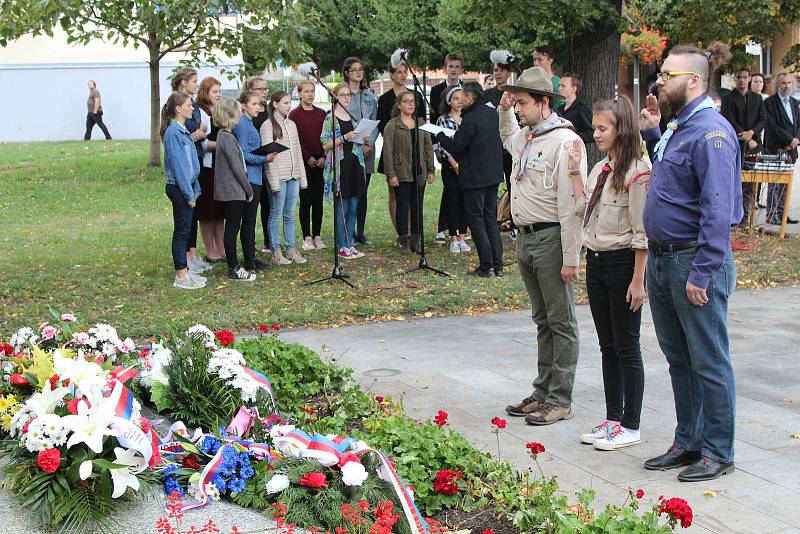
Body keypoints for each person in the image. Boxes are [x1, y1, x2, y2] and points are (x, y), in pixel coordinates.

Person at [639, 42, 741, 482]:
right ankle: (688, 441)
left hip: (692, 263)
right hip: (664, 261)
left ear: (694, 81)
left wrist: (702, 271)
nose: (660, 81)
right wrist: (650, 133)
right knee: (679, 358)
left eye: (668, 75)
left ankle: (718, 450)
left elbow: (717, 210)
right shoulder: (679, 128)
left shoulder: (711, 132)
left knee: (709, 359)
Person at [498, 67, 586, 425]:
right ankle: (542, 391)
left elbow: (571, 207)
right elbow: (508, 138)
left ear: (544, 103)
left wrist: (571, 257)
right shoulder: (528, 137)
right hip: (527, 238)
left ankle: (560, 398)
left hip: (551, 239)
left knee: (561, 321)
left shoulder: (565, 142)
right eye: (515, 103)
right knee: (542, 320)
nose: (517, 109)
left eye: (522, 103)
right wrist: (504, 110)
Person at [569, 95, 650, 450]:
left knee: (627, 345)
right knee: (607, 346)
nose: (596, 133)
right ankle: (612, 418)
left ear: (621, 130)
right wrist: (574, 170)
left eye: (603, 128)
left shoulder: (636, 172)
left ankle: (631, 424)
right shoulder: (601, 169)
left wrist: (638, 280)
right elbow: (580, 207)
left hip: (622, 265)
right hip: (597, 262)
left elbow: (641, 233)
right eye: (595, 127)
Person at [437, 82, 504, 277]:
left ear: (470, 98)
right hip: (492, 175)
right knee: (490, 219)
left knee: (476, 221)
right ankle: (497, 266)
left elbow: (457, 147)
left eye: (463, 96)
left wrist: (440, 136)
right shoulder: (491, 113)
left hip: (475, 177)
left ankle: (486, 266)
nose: (461, 99)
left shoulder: (471, 118)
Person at [259, 90, 308, 265]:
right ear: (275, 104)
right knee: (276, 214)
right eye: (285, 103)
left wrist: (301, 177)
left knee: (289, 215)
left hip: (293, 176)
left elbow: (297, 153)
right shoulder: (267, 126)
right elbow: (268, 157)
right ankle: (276, 252)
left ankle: (291, 249)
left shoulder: (292, 125)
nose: (289, 106)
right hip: (279, 177)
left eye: (289, 102)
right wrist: (273, 182)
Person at [383, 91, 436, 252]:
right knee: (403, 206)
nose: (410, 104)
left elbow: (428, 147)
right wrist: (391, 174)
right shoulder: (392, 125)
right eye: (406, 101)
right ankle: (404, 240)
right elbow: (387, 151)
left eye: (412, 101)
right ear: (399, 105)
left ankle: (416, 239)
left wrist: (431, 169)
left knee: (417, 206)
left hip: (419, 171)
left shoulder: (421, 123)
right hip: (402, 171)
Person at [377, 61, 426, 235]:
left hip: (413, 150)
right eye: (398, 72)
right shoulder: (384, 99)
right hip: (394, 148)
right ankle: (400, 231)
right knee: (395, 193)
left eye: (405, 72)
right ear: (391, 74)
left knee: (413, 195)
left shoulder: (416, 96)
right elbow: (382, 125)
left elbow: (421, 124)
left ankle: (413, 231)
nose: (402, 75)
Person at [161, 92, 203, 290]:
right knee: (182, 232)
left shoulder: (183, 130)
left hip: (187, 186)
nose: (192, 108)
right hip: (179, 188)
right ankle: (181, 275)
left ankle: (185, 270)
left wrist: (194, 189)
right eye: (188, 105)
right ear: (178, 108)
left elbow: (191, 163)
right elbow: (179, 167)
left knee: (185, 231)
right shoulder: (173, 133)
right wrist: (189, 193)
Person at [171, 68, 211, 275]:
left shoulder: (192, 104)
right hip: (185, 168)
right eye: (194, 81)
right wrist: (197, 132)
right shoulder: (175, 107)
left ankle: (192, 255)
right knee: (185, 218)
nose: (197, 84)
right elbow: (192, 128)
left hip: (196, 163)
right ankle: (184, 260)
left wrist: (199, 132)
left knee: (192, 213)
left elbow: (202, 128)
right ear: (183, 82)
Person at [322, 83, 368, 259]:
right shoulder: (330, 119)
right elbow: (325, 144)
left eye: (348, 94)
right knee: (343, 206)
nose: (347, 98)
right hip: (341, 167)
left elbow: (357, 139)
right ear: (334, 98)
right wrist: (344, 137)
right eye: (342, 95)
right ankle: (342, 245)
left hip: (356, 164)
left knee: (354, 207)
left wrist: (363, 137)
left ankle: (350, 243)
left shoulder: (353, 117)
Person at [213, 97, 256, 282]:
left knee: (232, 227)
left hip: (233, 189)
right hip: (234, 190)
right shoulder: (227, 137)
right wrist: (249, 189)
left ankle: (234, 266)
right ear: (230, 114)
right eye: (237, 111)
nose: (240, 114)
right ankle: (234, 268)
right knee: (232, 228)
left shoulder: (224, 135)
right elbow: (237, 168)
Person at [232, 91, 272, 272]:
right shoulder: (241, 124)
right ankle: (249, 260)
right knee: (247, 221)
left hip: (256, 176)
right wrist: (265, 158)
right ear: (243, 105)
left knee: (250, 220)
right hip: (249, 178)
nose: (258, 107)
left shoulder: (249, 123)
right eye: (254, 104)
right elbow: (243, 154)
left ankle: (251, 257)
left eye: (259, 103)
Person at [721, 68, 766, 226]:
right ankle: (735, 217)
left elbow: (763, 119)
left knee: (752, 184)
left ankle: (747, 218)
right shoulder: (727, 98)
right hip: (736, 144)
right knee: (737, 181)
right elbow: (728, 120)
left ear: (749, 79)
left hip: (754, 145)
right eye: (738, 77)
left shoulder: (757, 98)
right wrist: (744, 136)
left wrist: (752, 133)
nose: (741, 80)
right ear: (735, 78)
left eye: (744, 77)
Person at [343, 57, 379, 247]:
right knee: (351, 191)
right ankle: (350, 230)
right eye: (354, 69)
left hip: (368, 149)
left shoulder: (369, 96)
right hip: (350, 149)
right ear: (347, 73)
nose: (358, 72)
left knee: (363, 192)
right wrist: (357, 143)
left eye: (361, 69)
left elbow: (374, 122)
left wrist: (369, 144)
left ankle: (361, 232)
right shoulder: (343, 95)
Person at [430, 53, 464, 245]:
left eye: (457, 66)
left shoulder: (465, 89)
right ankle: (444, 228)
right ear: (445, 68)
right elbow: (434, 119)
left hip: (463, 155)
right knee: (449, 190)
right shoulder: (436, 91)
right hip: (444, 147)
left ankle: (458, 228)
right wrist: (436, 147)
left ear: (461, 69)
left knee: (459, 193)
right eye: (450, 66)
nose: (453, 69)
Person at [289, 80, 328, 250]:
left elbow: (326, 136)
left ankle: (317, 234)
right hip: (304, 162)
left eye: (312, 91)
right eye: (306, 91)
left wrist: (323, 156)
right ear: (299, 93)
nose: (310, 94)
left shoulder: (321, 114)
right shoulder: (294, 115)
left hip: (320, 162)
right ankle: (307, 236)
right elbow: (294, 139)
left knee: (318, 200)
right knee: (306, 200)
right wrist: (307, 157)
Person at [436, 85, 470, 253]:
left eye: (461, 98)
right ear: (449, 101)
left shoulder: (468, 118)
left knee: (465, 200)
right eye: (455, 98)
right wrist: (453, 163)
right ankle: (453, 237)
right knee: (452, 199)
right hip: (450, 166)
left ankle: (463, 236)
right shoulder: (443, 119)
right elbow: (443, 144)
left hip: (467, 165)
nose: (459, 102)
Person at [195, 77, 226, 263]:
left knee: (220, 210)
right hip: (207, 167)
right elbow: (203, 142)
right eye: (215, 92)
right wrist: (224, 144)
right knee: (207, 211)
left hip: (221, 167)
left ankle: (221, 246)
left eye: (219, 91)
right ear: (205, 93)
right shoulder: (200, 113)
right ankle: (210, 249)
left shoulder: (220, 111)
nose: (219, 95)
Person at [764, 71, 800, 225]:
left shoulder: (794, 102)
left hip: (791, 150)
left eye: (789, 83)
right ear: (777, 85)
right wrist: (789, 139)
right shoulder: (769, 103)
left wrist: (796, 140)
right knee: (775, 184)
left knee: (786, 184)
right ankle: (772, 216)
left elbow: (798, 124)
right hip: (776, 149)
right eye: (783, 83)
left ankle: (783, 214)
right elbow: (772, 126)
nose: (786, 86)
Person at [242, 76, 272, 252]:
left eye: (265, 89)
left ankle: (268, 241)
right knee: (251, 210)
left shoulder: (268, 109)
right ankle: (250, 247)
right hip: (253, 165)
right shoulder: (246, 115)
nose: (264, 92)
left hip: (268, 163)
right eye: (259, 89)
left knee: (269, 205)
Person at [556, 73, 594, 146]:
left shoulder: (582, 109)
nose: (559, 89)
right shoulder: (559, 109)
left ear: (574, 89)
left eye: (563, 86)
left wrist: (572, 135)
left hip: (576, 153)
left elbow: (591, 134)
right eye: (559, 85)